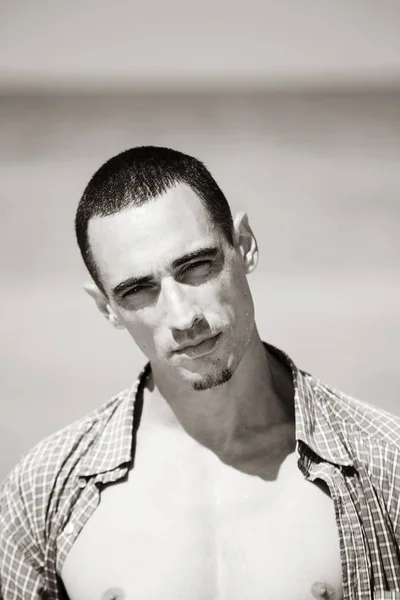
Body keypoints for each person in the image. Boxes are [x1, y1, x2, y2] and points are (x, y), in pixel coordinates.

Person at [0, 146, 399, 600]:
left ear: (243, 245)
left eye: (196, 267)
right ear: (106, 309)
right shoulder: (45, 490)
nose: (182, 316)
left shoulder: (383, 465)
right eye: (137, 290)